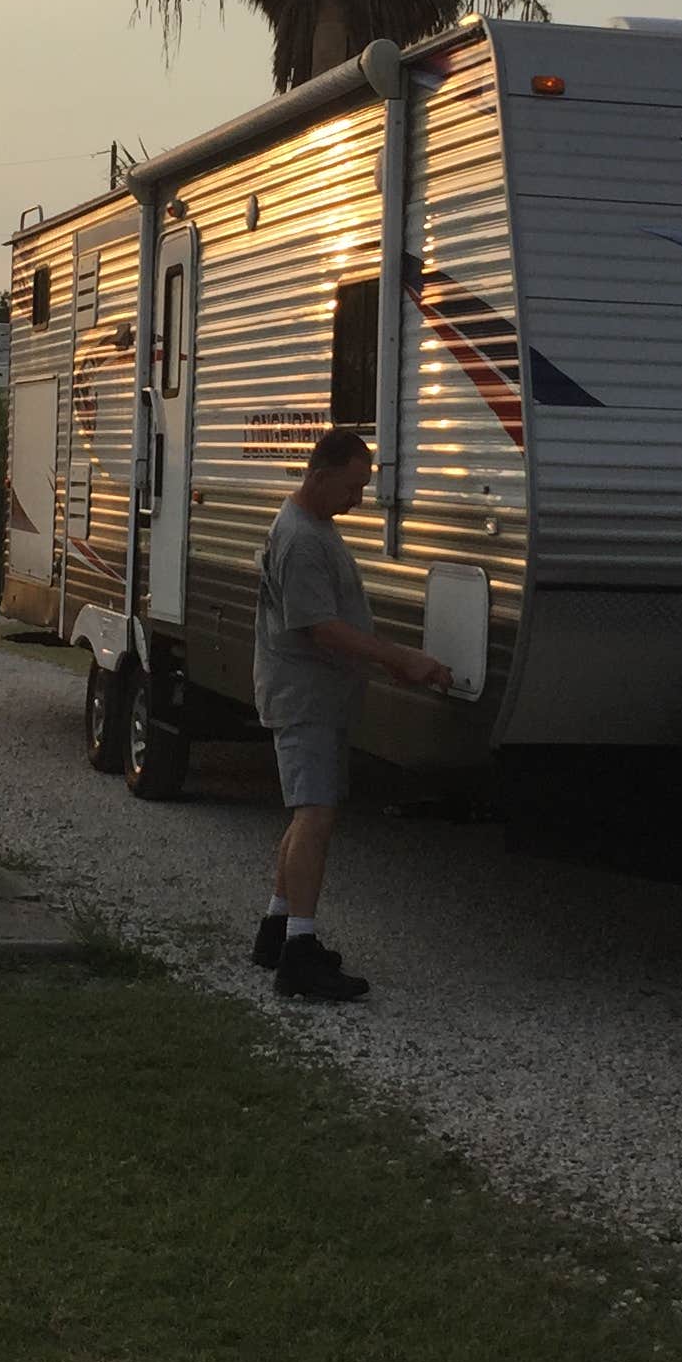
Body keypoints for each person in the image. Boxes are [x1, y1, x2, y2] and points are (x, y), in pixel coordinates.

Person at [251, 427, 452, 1001]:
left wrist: (385, 663)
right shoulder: (300, 539)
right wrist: (399, 656)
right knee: (316, 816)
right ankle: (299, 955)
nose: (359, 500)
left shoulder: (316, 529)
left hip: (319, 696)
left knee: (306, 814)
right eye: (353, 486)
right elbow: (319, 626)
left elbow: (338, 621)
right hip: (305, 698)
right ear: (320, 474)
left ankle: (276, 928)